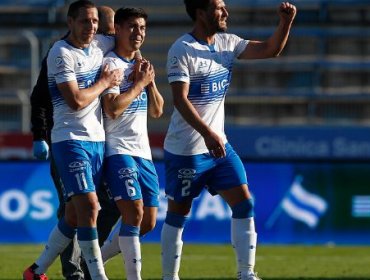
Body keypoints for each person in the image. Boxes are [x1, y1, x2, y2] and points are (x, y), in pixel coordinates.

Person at [161, 1, 297, 280]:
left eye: (225, 7)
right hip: (187, 149)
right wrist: (206, 133)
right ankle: (169, 277)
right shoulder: (182, 49)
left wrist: (285, 22)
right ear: (200, 13)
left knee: (244, 203)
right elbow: (180, 99)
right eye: (218, 8)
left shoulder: (228, 42)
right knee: (178, 213)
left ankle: (246, 273)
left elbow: (271, 49)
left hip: (219, 146)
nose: (226, 12)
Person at [23, 1, 122, 279]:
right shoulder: (60, 52)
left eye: (95, 24)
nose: (93, 29)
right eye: (86, 21)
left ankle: (36, 270)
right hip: (67, 141)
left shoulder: (100, 45)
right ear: (70, 22)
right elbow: (71, 100)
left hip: (98, 143)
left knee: (75, 213)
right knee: (86, 206)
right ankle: (84, 273)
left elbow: (126, 37)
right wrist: (39, 135)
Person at [101, 7, 164, 280]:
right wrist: (138, 84)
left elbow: (158, 111)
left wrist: (149, 83)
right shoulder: (110, 64)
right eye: (132, 27)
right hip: (117, 150)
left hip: (144, 153)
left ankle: (94, 260)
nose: (138, 33)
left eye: (142, 28)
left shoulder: (141, 65)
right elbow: (112, 109)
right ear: (117, 29)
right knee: (134, 213)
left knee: (147, 222)